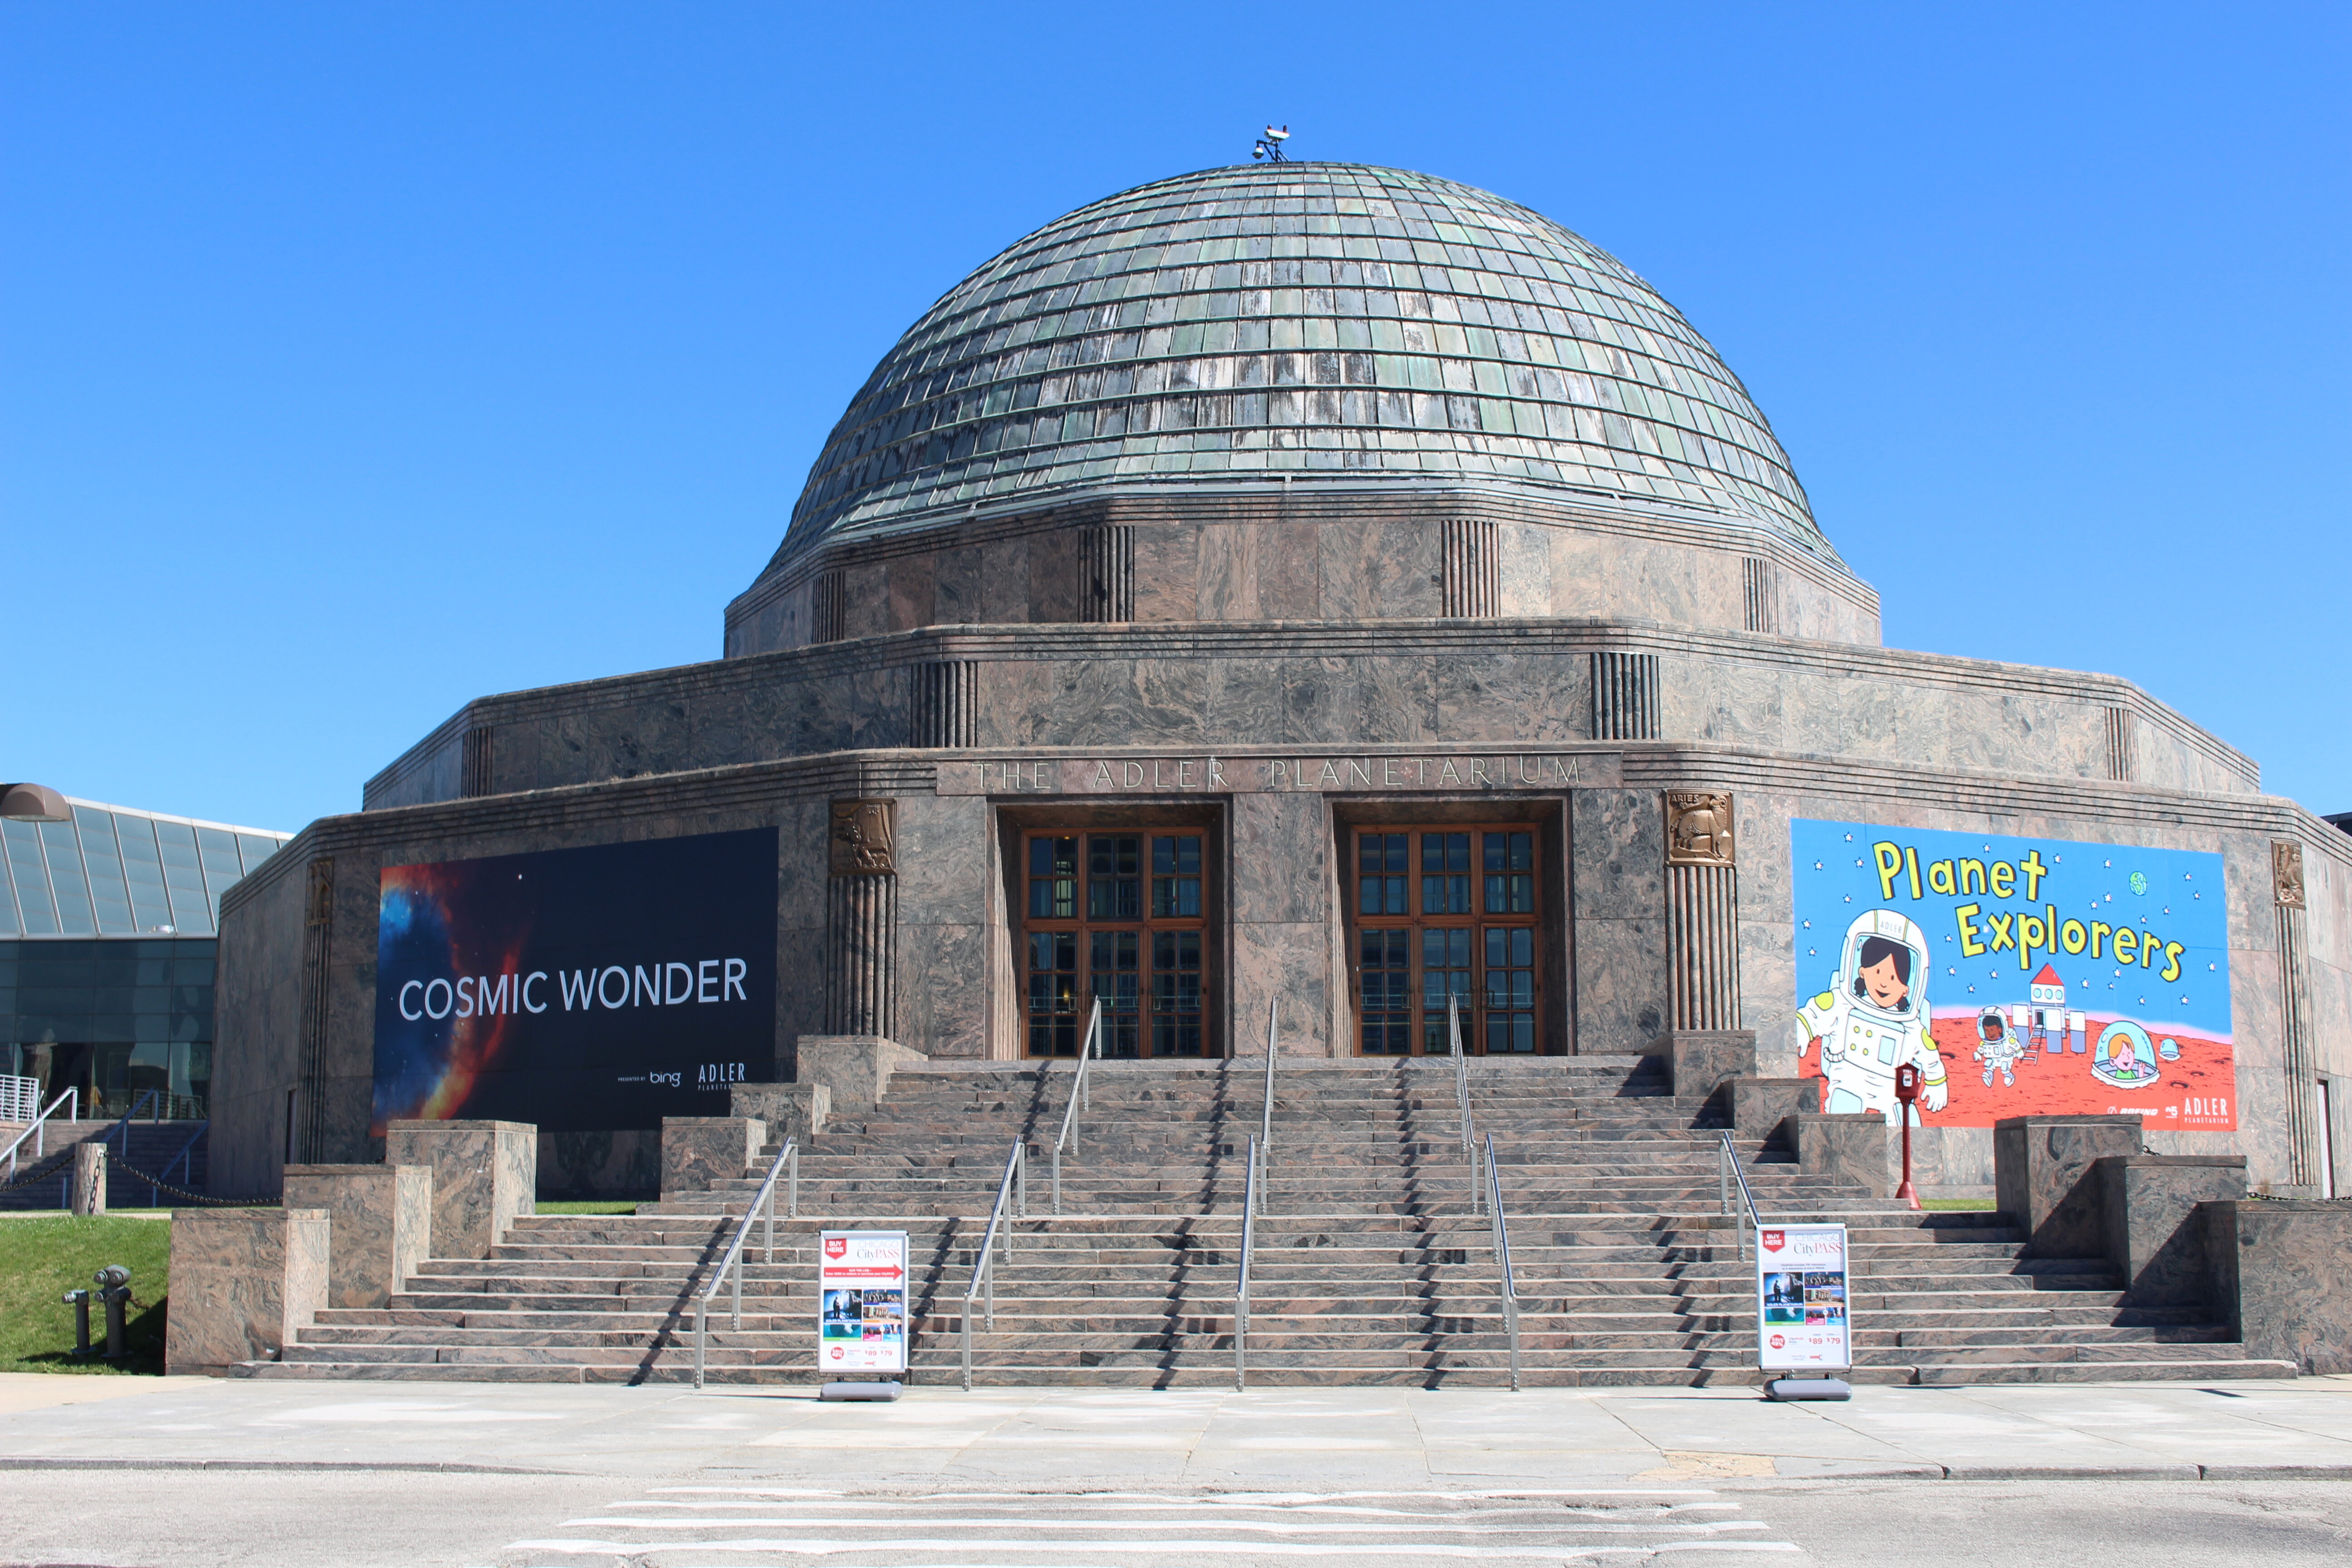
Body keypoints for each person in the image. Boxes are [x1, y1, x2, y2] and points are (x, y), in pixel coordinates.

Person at [1797, 909, 1950, 1124]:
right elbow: (1815, 1013)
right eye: (1877, 972)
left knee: (1907, 1122)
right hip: (1849, 1078)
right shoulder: (1842, 1004)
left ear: (1906, 988)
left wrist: (1937, 1082)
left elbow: (1929, 1054)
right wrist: (1803, 1028)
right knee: (1844, 1111)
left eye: (1893, 977)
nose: (1885, 983)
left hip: (1892, 1088)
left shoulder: (1911, 1027)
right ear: (1862, 971)